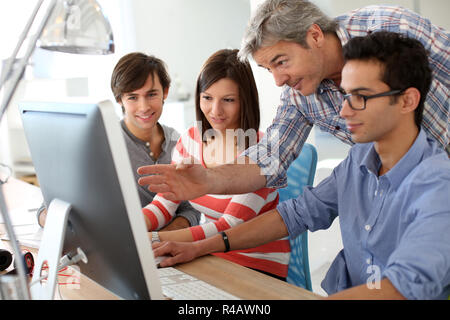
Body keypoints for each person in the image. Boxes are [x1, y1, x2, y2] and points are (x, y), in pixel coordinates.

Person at [150, 32, 450, 300]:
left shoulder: (437, 185)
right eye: (345, 95)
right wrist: (199, 247)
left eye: (360, 97)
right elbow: (295, 214)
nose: (343, 111)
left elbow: (405, 286)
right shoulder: (359, 160)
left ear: (408, 100)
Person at [137, 0, 449, 202]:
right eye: (267, 69)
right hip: (419, 193)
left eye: (281, 62)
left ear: (314, 36)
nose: (278, 80)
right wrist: (209, 179)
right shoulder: (299, 95)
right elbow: (270, 157)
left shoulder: (390, 27)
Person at [144, 49, 290, 280]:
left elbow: (228, 225)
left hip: (257, 266)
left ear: (245, 101)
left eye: (228, 100)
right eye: (207, 98)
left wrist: (152, 239)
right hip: (205, 254)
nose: (215, 111)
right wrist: (132, 227)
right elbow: (164, 204)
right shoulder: (190, 140)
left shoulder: (262, 154)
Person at [37, 52, 200, 230]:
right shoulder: (99, 142)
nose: (144, 107)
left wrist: (158, 239)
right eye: (132, 97)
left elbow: (190, 210)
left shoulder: (180, 143)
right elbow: (47, 210)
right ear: (119, 99)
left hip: (168, 249)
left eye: (151, 94)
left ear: (165, 91)